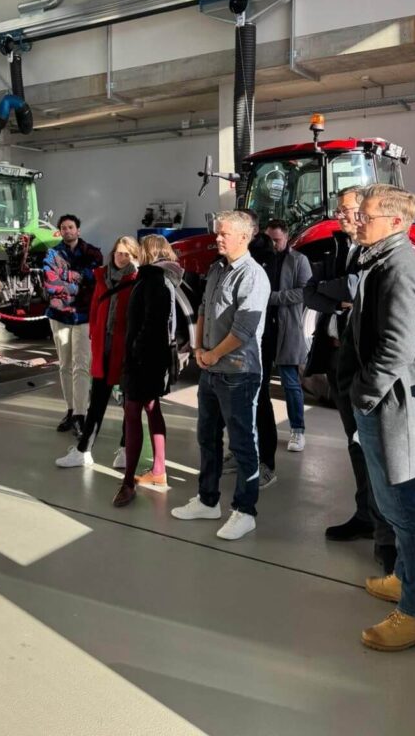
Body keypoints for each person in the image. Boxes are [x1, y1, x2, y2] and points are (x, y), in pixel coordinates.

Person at [337, 184, 415, 652]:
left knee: (404, 510)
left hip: (390, 409)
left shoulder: (399, 268)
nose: (357, 222)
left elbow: (396, 349)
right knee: (392, 503)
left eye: (366, 216)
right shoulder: (383, 260)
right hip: (384, 405)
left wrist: (363, 395)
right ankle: (403, 576)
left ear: (397, 223)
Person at [304, 188, 396, 575]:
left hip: (364, 363)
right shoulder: (337, 248)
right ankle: (365, 515)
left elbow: (354, 290)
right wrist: (338, 293)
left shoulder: (379, 253)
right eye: (339, 210)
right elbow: (310, 293)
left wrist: (339, 290)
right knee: (355, 444)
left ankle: (388, 533)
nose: (341, 216)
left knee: (377, 449)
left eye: (348, 210)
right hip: (338, 356)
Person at [172, 211, 270, 540]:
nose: (217, 238)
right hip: (211, 370)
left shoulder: (253, 276)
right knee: (207, 438)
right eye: (218, 233)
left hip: (238, 373)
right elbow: (203, 309)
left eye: (224, 234)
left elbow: (244, 329)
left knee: (242, 444)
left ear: (244, 237)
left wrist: (213, 354)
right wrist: (199, 347)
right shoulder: (217, 269)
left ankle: (245, 511)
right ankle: (207, 500)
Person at [55, 236, 140, 469]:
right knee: (97, 402)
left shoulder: (137, 279)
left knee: (129, 404)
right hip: (104, 348)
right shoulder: (102, 275)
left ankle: (125, 449)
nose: (122, 257)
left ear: (135, 257)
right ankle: (84, 450)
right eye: (119, 252)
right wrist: (94, 334)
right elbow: (95, 307)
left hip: (126, 351)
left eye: (127, 254)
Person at [113, 235, 184, 508]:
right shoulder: (163, 279)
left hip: (144, 361)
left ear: (149, 253)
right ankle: (158, 470)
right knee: (152, 409)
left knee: (132, 414)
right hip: (154, 360)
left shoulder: (153, 280)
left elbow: (152, 324)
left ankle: (128, 482)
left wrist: (134, 355)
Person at [43, 215, 103, 437]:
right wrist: (79, 282)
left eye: (70, 227)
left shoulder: (93, 253)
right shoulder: (52, 254)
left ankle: (80, 414)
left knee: (82, 365)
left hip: (84, 316)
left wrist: (66, 277)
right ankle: (70, 411)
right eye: (63, 228)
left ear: (78, 230)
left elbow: (94, 280)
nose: (67, 230)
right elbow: (51, 284)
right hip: (59, 316)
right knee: (65, 365)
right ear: (60, 231)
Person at [235, 209, 278, 489]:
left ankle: (267, 463)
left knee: (259, 399)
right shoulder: (230, 259)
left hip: (260, 338)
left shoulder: (264, 258)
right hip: (234, 340)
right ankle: (241, 453)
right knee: (235, 400)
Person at [264, 220, 312, 453]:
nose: (273, 245)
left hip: (288, 327)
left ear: (287, 237)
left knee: (291, 383)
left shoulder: (299, 260)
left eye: (277, 240)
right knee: (258, 383)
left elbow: (305, 292)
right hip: (264, 328)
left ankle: (297, 429)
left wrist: (272, 298)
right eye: (270, 240)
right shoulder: (261, 259)